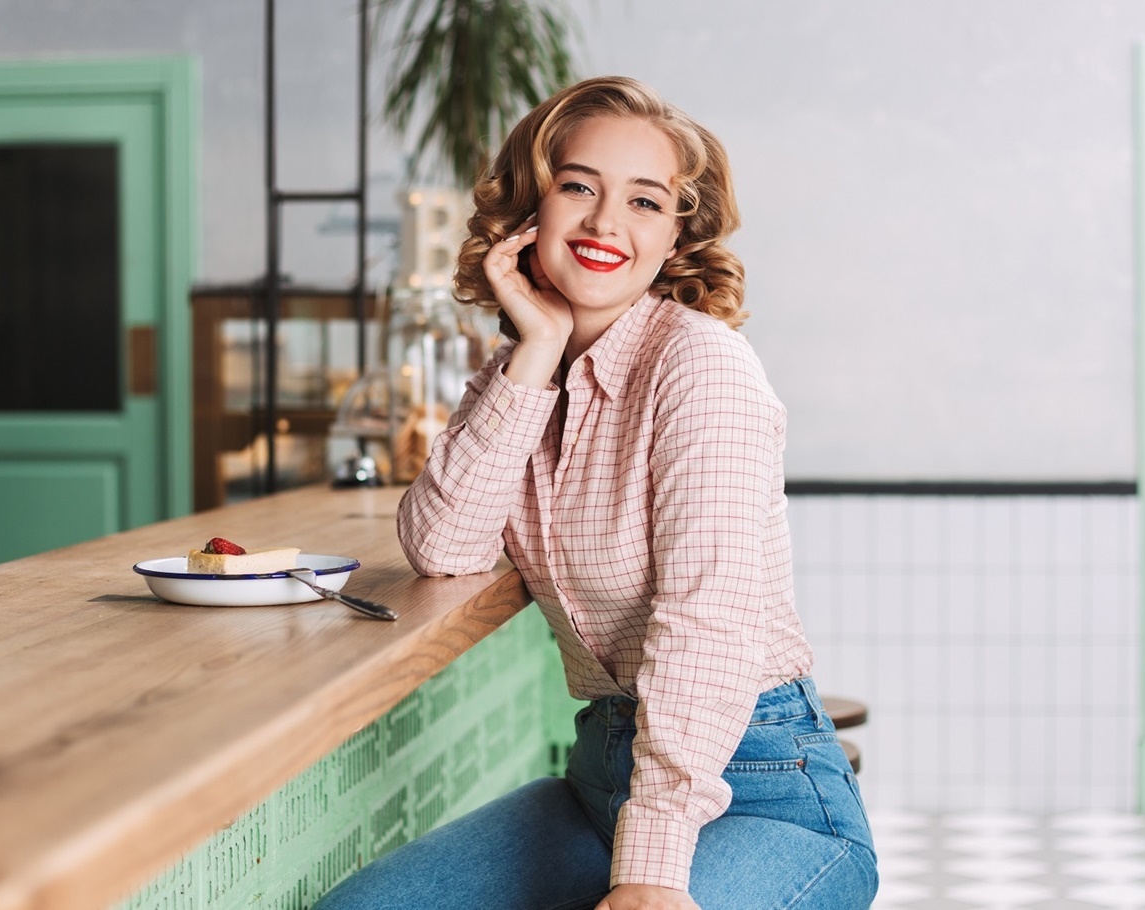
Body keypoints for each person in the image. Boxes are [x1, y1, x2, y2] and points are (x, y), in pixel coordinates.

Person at [316, 75, 877, 910]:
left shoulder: (701, 367)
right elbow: (443, 547)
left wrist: (649, 871)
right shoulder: (518, 379)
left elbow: (707, 623)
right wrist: (535, 347)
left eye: (646, 202)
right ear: (526, 209)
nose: (606, 223)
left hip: (762, 784)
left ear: (675, 237)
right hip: (599, 776)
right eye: (577, 186)